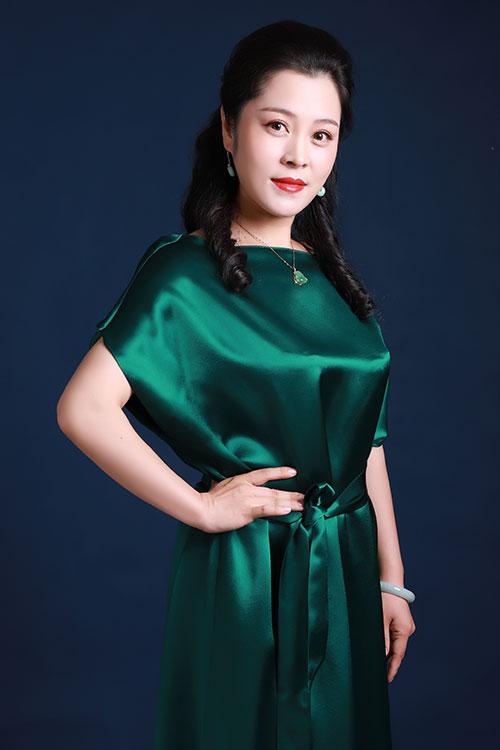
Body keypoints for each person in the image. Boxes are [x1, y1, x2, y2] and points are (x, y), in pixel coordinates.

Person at [57, 19, 416, 750]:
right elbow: (83, 408)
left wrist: (390, 576)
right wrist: (199, 507)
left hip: (345, 561)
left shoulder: (332, 276)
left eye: (322, 134)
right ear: (229, 128)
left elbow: (364, 440)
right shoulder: (184, 271)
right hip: (248, 568)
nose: (298, 155)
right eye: (276, 125)